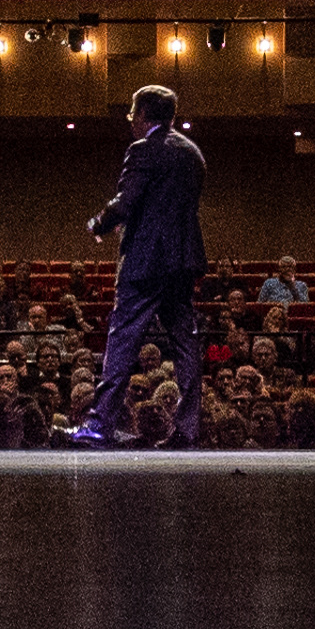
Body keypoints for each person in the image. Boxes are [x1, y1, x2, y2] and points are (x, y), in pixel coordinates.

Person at [72, 84, 206, 448]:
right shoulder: (192, 153)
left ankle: (100, 424)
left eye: (133, 114)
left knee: (122, 341)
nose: (131, 121)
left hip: (146, 262)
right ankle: (188, 429)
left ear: (144, 114)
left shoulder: (143, 150)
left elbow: (126, 201)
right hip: (182, 261)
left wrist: (99, 222)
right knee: (185, 345)